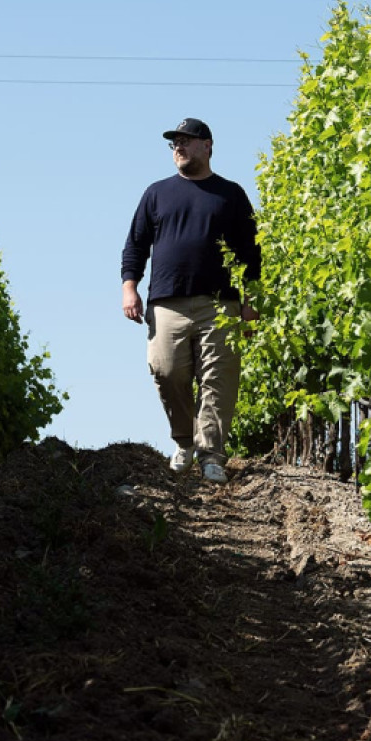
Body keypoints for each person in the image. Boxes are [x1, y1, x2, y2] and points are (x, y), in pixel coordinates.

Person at [121, 118, 261, 483]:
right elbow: (135, 245)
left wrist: (251, 302)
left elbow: (252, 253)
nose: (178, 147)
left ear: (207, 146)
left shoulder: (231, 194)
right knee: (166, 371)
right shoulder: (156, 193)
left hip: (221, 303)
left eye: (186, 141)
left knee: (219, 378)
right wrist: (129, 287)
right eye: (174, 143)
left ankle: (211, 453)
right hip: (166, 301)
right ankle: (184, 440)